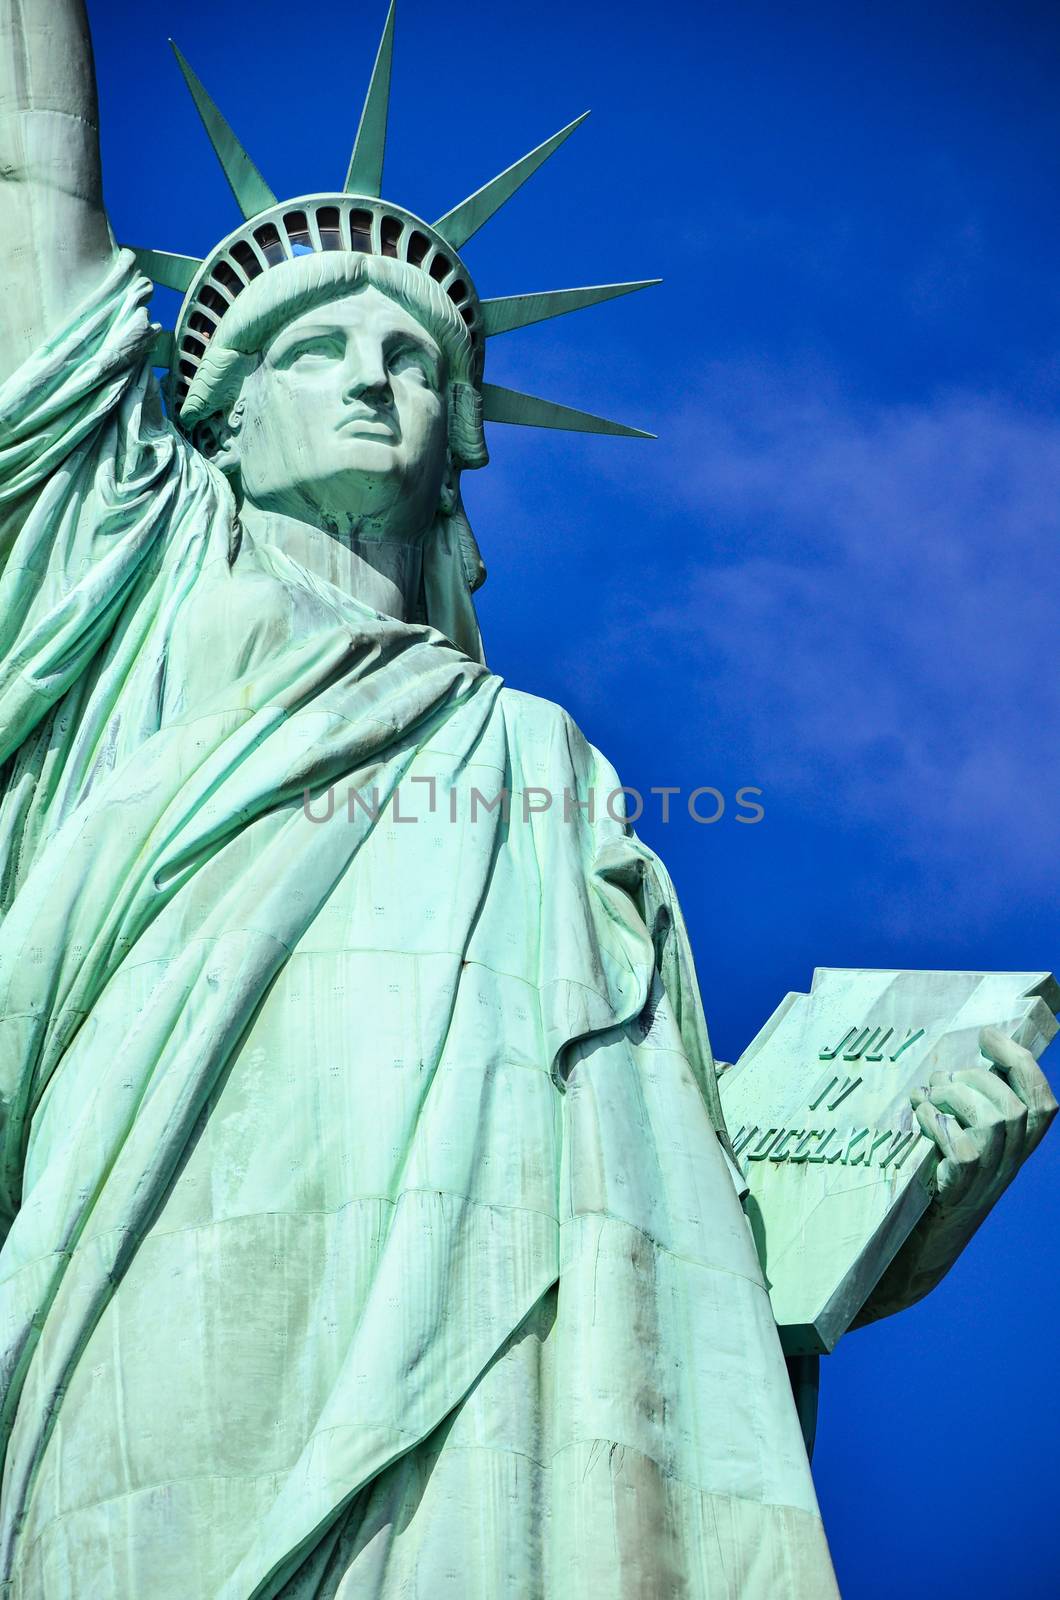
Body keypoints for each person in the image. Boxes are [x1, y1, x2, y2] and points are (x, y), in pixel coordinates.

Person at [0, 4, 1051, 1597]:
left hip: (550, 1396)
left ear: (458, 443)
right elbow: (28, 192)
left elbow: (675, 1210)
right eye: (312, 347)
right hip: (181, 1280)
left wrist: (918, 1189)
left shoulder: (550, 768)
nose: (371, 378)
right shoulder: (144, 606)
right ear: (209, 415)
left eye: (413, 359)